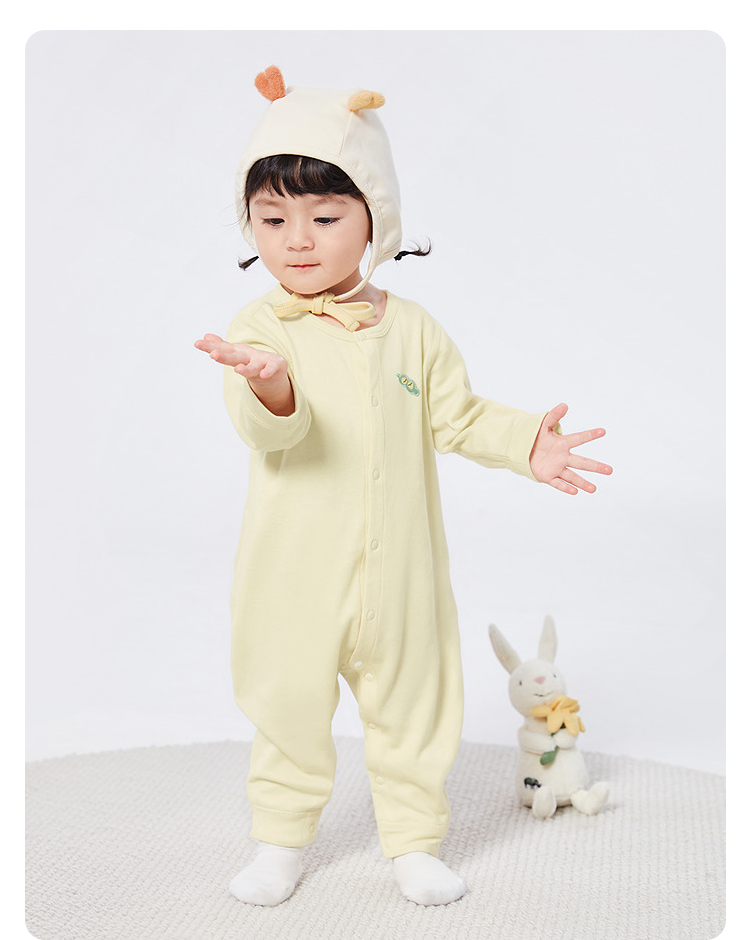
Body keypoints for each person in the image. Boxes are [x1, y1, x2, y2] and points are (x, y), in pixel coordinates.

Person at [195, 66, 612, 908]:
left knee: (415, 709)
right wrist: (272, 386)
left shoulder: (414, 330)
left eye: (324, 217)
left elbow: (456, 416)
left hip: (403, 578)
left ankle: (415, 843)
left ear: (376, 218)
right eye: (272, 219)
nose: (297, 240)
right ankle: (281, 840)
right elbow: (267, 430)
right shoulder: (261, 327)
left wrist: (524, 443)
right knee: (286, 706)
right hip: (292, 576)